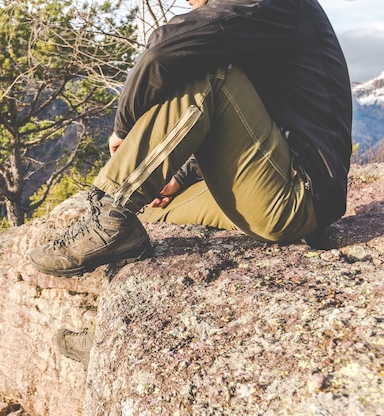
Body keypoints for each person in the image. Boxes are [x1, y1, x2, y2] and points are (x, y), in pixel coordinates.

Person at [31, 0, 352, 369]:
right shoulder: (257, 21)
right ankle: (116, 332)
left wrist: (123, 128)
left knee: (209, 71)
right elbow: (248, 125)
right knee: (153, 220)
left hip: (297, 195)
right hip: (276, 184)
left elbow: (166, 46)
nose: (187, 1)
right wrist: (180, 179)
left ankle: (110, 207)